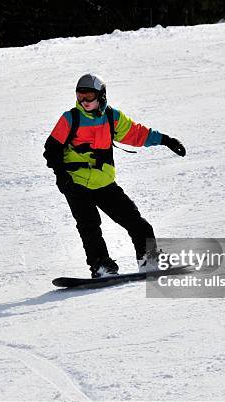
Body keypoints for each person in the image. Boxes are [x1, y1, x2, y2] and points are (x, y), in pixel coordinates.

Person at [43, 73, 186, 278]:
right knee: (89, 225)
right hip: (76, 183)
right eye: (80, 96)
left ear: (101, 96)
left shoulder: (111, 117)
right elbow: (51, 150)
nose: (84, 101)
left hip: (104, 182)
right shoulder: (71, 118)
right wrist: (63, 177)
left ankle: (149, 259)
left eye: (89, 97)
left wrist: (166, 140)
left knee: (135, 221)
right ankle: (101, 266)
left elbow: (138, 133)